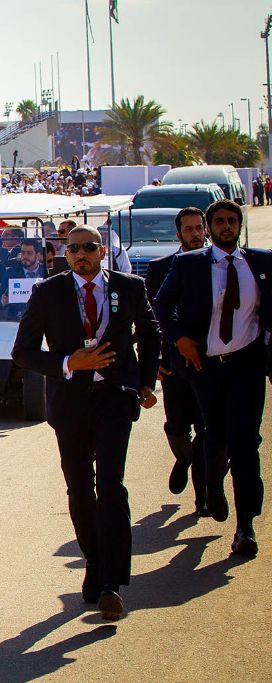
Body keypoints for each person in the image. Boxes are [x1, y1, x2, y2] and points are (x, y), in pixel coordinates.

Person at [12, 225, 160, 620]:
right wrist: (66, 363)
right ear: (65, 253)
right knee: (80, 490)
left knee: (111, 487)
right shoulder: (48, 292)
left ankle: (112, 583)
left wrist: (145, 381)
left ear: (102, 251)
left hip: (115, 400)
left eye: (89, 248)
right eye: (73, 248)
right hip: (70, 403)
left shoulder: (129, 287)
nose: (81, 255)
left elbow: (150, 333)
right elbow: (23, 352)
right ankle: (94, 561)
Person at [154, 199, 272, 558]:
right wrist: (179, 338)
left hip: (247, 364)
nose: (226, 227)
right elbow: (161, 304)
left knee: (246, 442)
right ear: (208, 227)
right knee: (214, 434)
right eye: (219, 221)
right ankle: (212, 486)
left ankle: (245, 526)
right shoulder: (189, 264)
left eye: (232, 221)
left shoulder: (262, 262)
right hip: (205, 367)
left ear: (239, 225)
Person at [144, 207, 209, 514]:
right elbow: (150, 320)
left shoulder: (219, 264)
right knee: (177, 426)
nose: (195, 233)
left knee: (208, 430)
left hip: (212, 364)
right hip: (173, 364)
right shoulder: (160, 269)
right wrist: (155, 359)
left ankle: (204, 496)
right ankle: (184, 458)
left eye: (199, 228)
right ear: (178, 233)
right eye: (189, 229)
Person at [0, 238, 48, 319]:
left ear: (38, 255)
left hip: (42, 318)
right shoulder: (10, 273)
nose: (25, 256)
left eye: (29, 253)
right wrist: (3, 301)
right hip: (16, 320)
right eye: (23, 253)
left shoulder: (46, 273)